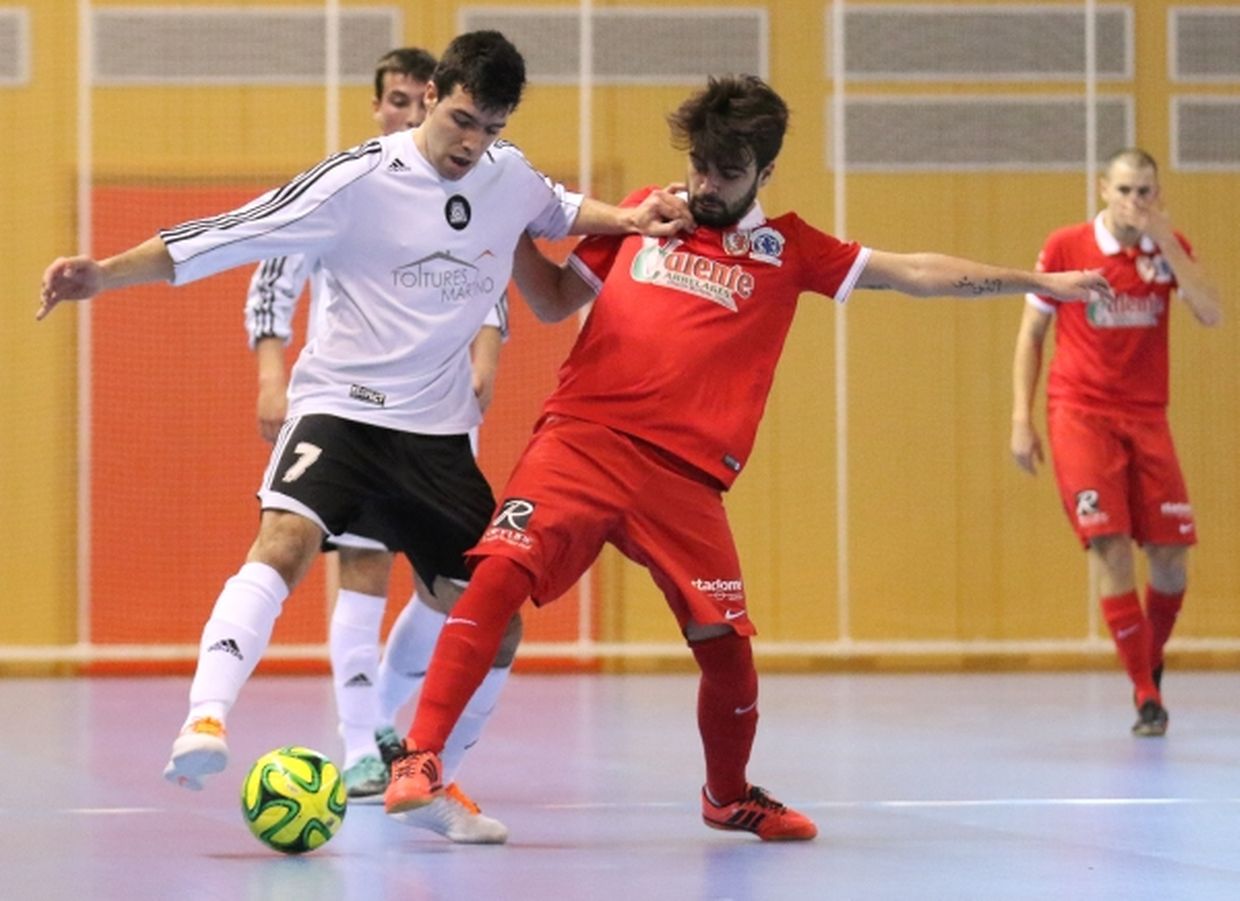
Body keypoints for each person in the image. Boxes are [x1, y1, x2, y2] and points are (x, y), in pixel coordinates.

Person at [380, 74, 1115, 841]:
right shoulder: (647, 213)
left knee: (727, 649)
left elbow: (917, 273)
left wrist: (1039, 282)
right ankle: (420, 758)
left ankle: (727, 795)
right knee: (497, 573)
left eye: (726, 172)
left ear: (764, 173)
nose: (705, 183)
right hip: (582, 440)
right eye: (698, 163)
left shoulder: (791, 249)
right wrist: (511, 230)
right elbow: (555, 298)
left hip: (687, 481)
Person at [37, 29, 690, 840]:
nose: (472, 142)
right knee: (284, 539)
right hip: (341, 411)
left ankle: (431, 781)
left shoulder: (505, 176)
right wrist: (103, 273)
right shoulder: (356, 180)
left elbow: (559, 209)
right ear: (431, 97)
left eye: (492, 127)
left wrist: (631, 218)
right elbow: (225, 234)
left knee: (500, 620)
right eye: (460, 119)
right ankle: (205, 719)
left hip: (438, 436)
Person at [243, 45, 516, 835]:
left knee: (447, 585)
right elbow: (274, 273)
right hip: (355, 406)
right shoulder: (350, 181)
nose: (405, 112)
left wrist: (485, 358)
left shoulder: (471, 187)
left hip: (434, 416)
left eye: (415, 99)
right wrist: (270, 372)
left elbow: (485, 281)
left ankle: (397, 724)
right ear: (385, 105)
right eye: (394, 99)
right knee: (363, 563)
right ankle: (362, 742)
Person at [1010, 148, 1222, 738]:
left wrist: (1170, 245)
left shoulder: (1166, 248)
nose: (1134, 202)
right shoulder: (1066, 246)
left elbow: (1210, 313)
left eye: (1145, 192)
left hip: (1148, 417)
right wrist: (1020, 420)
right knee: (1110, 545)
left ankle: (1145, 662)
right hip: (1080, 412)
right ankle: (1147, 694)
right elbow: (1032, 336)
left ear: (1157, 195)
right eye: (1125, 189)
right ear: (1104, 188)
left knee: (1172, 561)